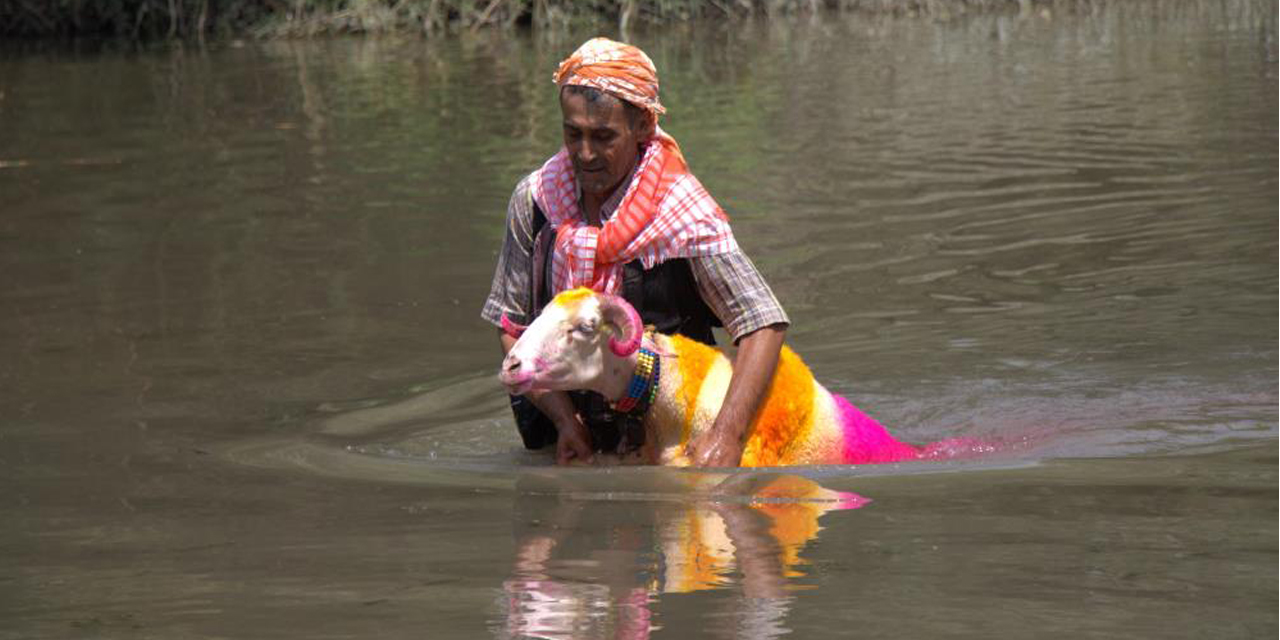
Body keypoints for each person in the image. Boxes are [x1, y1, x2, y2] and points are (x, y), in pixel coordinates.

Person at [481, 37, 788, 467]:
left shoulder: (684, 212)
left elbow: (762, 324)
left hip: (670, 442)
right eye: (574, 134)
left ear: (643, 126)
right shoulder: (535, 203)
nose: (585, 154)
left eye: (603, 136)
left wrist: (725, 437)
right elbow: (511, 323)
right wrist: (566, 421)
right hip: (568, 437)